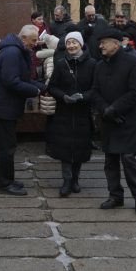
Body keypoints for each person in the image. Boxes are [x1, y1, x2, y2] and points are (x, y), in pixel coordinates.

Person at [91, 27, 136, 214]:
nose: (101, 46)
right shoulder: (100, 65)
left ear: (116, 44)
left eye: (104, 42)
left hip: (128, 120)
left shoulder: (133, 62)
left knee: (129, 159)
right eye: (100, 43)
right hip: (108, 121)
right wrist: (105, 109)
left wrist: (114, 108)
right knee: (110, 161)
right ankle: (115, 196)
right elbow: (95, 92)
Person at [0, 24, 46, 195]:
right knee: (7, 147)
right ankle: (5, 184)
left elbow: (23, 78)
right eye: (33, 40)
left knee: (9, 145)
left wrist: (42, 87)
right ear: (23, 38)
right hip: (4, 107)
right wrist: (35, 91)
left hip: (6, 106)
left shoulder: (15, 51)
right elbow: (12, 82)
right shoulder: (13, 53)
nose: (35, 44)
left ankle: (6, 179)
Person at [46, 31, 95, 196]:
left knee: (80, 147)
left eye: (74, 42)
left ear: (81, 44)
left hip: (82, 112)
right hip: (64, 112)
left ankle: (75, 179)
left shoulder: (92, 64)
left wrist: (83, 97)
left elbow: (96, 89)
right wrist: (63, 96)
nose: (71, 46)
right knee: (65, 149)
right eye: (68, 43)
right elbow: (52, 87)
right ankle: (67, 180)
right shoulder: (61, 63)